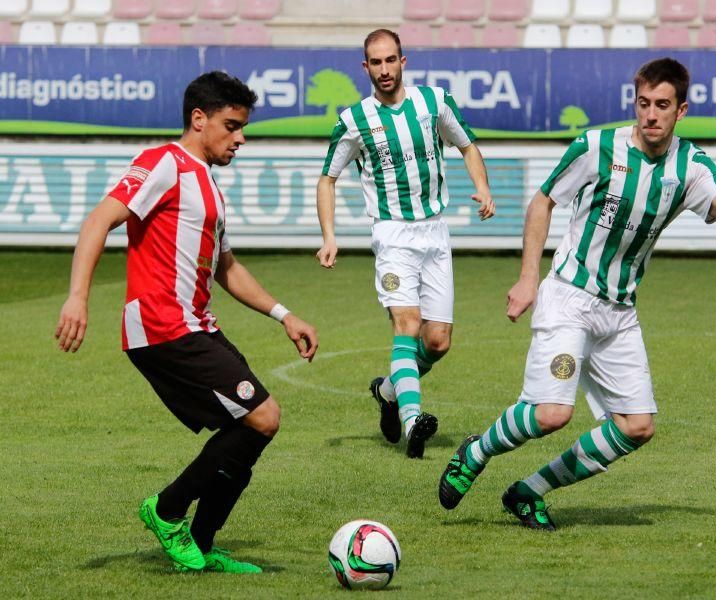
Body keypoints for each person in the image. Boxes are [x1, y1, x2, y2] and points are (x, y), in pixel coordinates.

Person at [438, 57, 716, 530]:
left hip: (620, 313)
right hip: (570, 298)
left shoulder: (690, 166)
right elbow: (544, 201)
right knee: (552, 413)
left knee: (637, 427)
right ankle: (476, 452)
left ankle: (528, 491)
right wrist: (528, 277)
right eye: (643, 104)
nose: (651, 115)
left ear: (681, 110)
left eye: (662, 105)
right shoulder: (597, 147)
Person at [55, 71, 319, 571]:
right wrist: (77, 297)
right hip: (161, 327)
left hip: (197, 325)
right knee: (262, 416)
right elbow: (98, 220)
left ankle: (198, 544)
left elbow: (227, 268)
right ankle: (168, 509)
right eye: (231, 125)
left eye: (243, 128)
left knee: (253, 428)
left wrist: (285, 315)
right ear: (199, 119)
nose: (240, 138)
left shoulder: (211, 188)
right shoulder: (163, 164)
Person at [316, 29, 495, 459]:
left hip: (435, 231)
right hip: (392, 233)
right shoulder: (354, 120)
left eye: (390, 60)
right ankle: (415, 420)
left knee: (437, 342)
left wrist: (483, 189)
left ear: (403, 61)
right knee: (407, 324)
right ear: (365, 67)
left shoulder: (433, 103)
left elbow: (467, 146)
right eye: (375, 62)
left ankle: (389, 391)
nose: (383, 70)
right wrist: (329, 236)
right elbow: (328, 178)